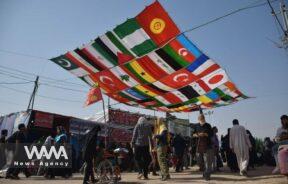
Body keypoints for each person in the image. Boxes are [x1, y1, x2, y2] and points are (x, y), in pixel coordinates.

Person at [193, 114, 214, 181]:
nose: (201, 119)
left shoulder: (208, 125)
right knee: (199, 161)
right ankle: (205, 172)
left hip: (207, 146)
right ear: (198, 119)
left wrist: (205, 134)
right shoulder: (196, 126)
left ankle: (207, 175)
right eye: (200, 118)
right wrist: (197, 135)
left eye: (202, 118)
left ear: (204, 118)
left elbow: (211, 134)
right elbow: (193, 134)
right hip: (199, 146)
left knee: (208, 162)